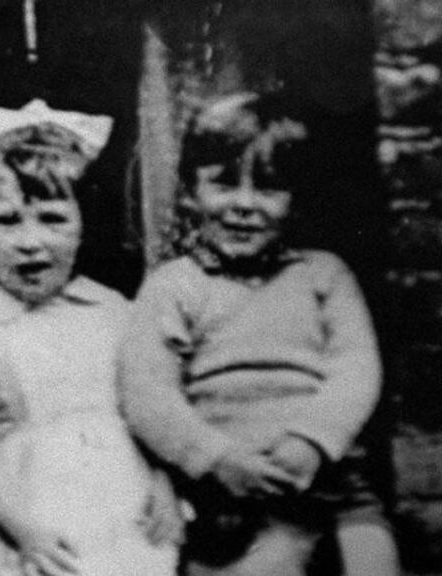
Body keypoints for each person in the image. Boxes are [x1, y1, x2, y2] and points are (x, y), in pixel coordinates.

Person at [118, 92, 398, 576]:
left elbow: (356, 370)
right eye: (223, 184)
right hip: (227, 490)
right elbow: (147, 393)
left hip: (329, 480)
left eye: (268, 189)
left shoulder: (324, 276)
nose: (244, 205)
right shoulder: (174, 286)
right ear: (190, 191)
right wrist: (216, 457)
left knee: (373, 559)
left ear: (296, 199)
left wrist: (310, 442)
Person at [0, 102, 181, 576]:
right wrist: (23, 529)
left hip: (126, 504)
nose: (30, 241)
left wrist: (165, 482)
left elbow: (153, 412)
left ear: (84, 227)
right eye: (8, 221)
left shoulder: (118, 312)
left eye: (53, 219)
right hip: (36, 515)